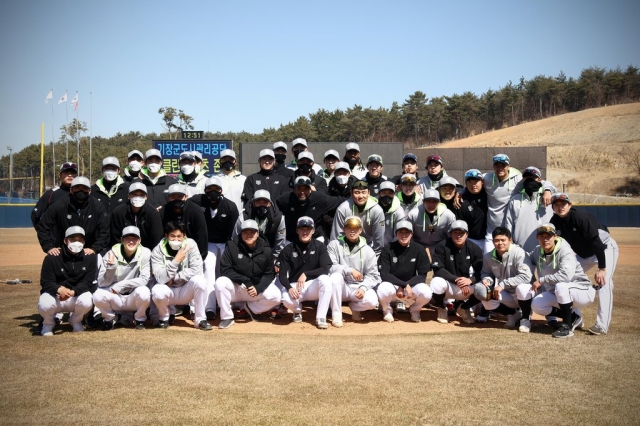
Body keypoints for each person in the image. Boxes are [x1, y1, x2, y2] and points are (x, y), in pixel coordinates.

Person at [550, 193, 618, 335]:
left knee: (604, 282)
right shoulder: (555, 221)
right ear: (553, 207)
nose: (560, 207)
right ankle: (576, 317)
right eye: (556, 205)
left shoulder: (580, 217)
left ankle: (601, 325)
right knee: (567, 278)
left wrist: (602, 268)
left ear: (570, 205)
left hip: (604, 248)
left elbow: (597, 243)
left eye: (563, 204)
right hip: (583, 253)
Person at [530, 223, 596, 338]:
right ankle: (574, 317)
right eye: (541, 236)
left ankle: (567, 326)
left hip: (582, 290)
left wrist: (541, 280)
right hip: (559, 293)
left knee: (561, 286)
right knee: (537, 304)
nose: (545, 240)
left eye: (548, 236)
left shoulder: (565, 251)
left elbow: (565, 276)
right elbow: (526, 260)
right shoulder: (537, 251)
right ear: (537, 238)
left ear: (555, 236)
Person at [215, 219, 281, 329]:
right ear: (241, 233)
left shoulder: (266, 250)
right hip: (237, 287)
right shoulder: (231, 246)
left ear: (258, 233)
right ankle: (227, 317)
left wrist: (258, 288)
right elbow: (225, 270)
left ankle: (251, 308)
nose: (248, 235)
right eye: (245, 232)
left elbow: (269, 274)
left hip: (254, 290)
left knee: (276, 296)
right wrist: (245, 281)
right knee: (220, 282)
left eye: (252, 232)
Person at [191, 177, 240, 319]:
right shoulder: (197, 201)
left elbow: (234, 232)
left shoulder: (230, 206)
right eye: (209, 189)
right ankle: (209, 307)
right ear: (205, 190)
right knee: (209, 267)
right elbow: (186, 206)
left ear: (221, 191)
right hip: (208, 242)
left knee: (224, 270)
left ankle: (225, 303)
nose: (213, 192)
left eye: (216, 189)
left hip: (226, 242)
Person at [150, 221, 211, 330]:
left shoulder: (191, 244)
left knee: (200, 281)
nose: (176, 240)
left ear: (184, 236)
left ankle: (200, 319)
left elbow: (196, 269)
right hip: (168, 290)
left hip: (185, 289)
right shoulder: (157, 250)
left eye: (179, 236)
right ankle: (164, 318)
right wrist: (176, 261)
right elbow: (160, 278)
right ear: (166, 236)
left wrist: (174, 278)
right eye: (172, 236)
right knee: (157, 290)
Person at [276, 217, 334, 329]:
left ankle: (321, 317)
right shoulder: (288, 249)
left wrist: (306, 274)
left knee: (326, 280)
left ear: (313, 231)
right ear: (297, 230)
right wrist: (289, 288)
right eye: (302, 229)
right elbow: (282, 274)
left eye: (308, 229)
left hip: (314, 285)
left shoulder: (319, 246)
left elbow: (325, 268)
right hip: (296, 287)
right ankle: (297, 311)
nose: (305, 232)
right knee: (285, 298)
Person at [38, 226, 96, 335]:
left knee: (88, 300)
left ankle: (75, 321)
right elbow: (46, 282)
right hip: (56, 296)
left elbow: (88, 282)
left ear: (84, 241)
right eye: (73, 240)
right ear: (65, 240)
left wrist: (73, 292)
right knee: (44, 303)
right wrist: (59, 289)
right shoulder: (52, 257)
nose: (76, 243)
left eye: (80, 240)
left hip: (75, 296)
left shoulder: (90, 258)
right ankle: (48, 324)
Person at [94, 226, 151, 330]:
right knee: (98, 295)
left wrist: (120, 285)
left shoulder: (145, 253)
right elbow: (102, 283)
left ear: (139, 240)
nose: (131, 241)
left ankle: (140, 320)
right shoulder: (110, 254)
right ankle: (109, 319)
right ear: (121, 240)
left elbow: (145, 279)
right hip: (115, 297)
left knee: (144, 291)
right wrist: (111, 268)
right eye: (127, 238)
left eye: (134, 238)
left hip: (132, 297)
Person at [475, 226, 534, 328]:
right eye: (497, 240)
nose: (500, 243)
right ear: (493, 242)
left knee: (522, 288)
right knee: (483, 292)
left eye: (503, 240)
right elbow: (486, 273)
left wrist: (502, 284)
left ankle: (526, 317)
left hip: (526, 294)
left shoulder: (519, 252)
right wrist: (486, 280)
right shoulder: (488, 257)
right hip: (507, 292)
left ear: (510, 240)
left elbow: (526, 277)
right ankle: (512, 313)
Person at [36, 176, 110, 257]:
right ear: (71, 190)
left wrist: (95, 248)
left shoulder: (97, 206)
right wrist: (49, 247)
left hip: (88, 252)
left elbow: (105, 230)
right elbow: (43, 227)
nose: (80, 191)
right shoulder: (60, 205)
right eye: (77, 188)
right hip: (63, 252)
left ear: (89, 191)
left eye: (84, 188)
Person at [327, 216, 381, 325]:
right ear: (344, 229)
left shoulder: (368, 250)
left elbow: (373, 275)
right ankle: (337, 314)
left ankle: (354, 307)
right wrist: (349, 270)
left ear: (360, 230)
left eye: (356, 228)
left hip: (357, 287)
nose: (352, 231)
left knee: (372, 301)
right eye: (349, 227)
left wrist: (363, 288)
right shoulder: (334, 245)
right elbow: (330, 267)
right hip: (341, 287)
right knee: (335, 277)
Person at [376, 220, 432, 323]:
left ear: (412, 234)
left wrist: (406, 285)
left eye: (407, 232)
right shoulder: (388, 249)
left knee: (427, 292)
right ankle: (387, 310)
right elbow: (384, 274)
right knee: (382, 289)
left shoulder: (419, 249)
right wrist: (402, 285)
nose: (404, 235)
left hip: (411, 286)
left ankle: (414, 310)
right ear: (396, 234)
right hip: (393, 286)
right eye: (401, 232)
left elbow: (422, 276)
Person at [429, 220, 484, 324]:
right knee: (436, 282)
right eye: (455, 232)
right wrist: (456, 280)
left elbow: (481, 270)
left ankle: (464, 307)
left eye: (461, 233)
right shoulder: (442, 246)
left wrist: (470, 280)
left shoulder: (474, 248)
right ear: (450, 234)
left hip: (466, 288)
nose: (458, 236)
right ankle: (441, 308)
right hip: (449, 285)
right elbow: (437, 269)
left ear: (467, 234)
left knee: (485, 288)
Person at [276, 176, 343, 244]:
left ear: (310, 190)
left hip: (316, 236)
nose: (302, 192)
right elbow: (273, 207)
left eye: (305, 189)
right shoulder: (285, 199)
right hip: (292, 238)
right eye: (299, 188)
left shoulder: (320, 198)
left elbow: (340, 201)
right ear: (294, 189)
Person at [503, 166, 554, 253]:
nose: (529, 180)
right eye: (527, 178)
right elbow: (509, 225)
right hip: (522, 252)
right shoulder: (515, 200)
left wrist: (548, 190)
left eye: (533, 177)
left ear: (539, 179)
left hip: (546, 251)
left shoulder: (550, 198)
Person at [331, 180, 385, 256]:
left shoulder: (377, 210)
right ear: (351, 193)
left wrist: (374, 257)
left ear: (369, 193)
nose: (360, 196)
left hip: (368, 246)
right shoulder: (343, 208)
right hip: (346, 248)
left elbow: (378, 238)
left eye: (363, 192)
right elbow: (336, 235)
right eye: (357, 192)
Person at [159, 184, 208, 261]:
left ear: (186, 197)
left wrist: (200, 259)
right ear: (168, 198)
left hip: (191, 250)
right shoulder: (164, 211)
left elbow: (201, 237)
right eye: (173, 197)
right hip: (169, 249)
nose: (176, 199)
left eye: (179, 196)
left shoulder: (196, 211)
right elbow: (160, 236)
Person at [233, 189, 286, 261]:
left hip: (269, 253)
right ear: (253, 203)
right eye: (258, 202)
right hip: (247, 253)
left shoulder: (279, 218)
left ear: (270, 203)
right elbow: (235, 238)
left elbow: (280, 242)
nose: (262, 205)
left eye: (265, 202)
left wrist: (276, 260)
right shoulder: (243, 217)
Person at [109, 182, 164, 249]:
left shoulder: (153, 213)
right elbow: (115, 238)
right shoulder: (118, 212)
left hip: (147, 252)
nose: (138, 198)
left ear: (146, 197)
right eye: (134, 195)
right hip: (124, 250)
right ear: (128, 196)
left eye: (141, 195)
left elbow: (156, 238)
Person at [438, 176, 485, 249]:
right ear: (439, 189)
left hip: (457, 239)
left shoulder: (460, 202)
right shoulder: (434, 203)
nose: (447, 191)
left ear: (455, 190)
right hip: (437, 239)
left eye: (451, 188)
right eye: (444, 188)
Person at [31, 162, 78, 227]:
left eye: (73, 173)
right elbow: (35, 215)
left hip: (79, 235)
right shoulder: (51, 194)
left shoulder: (84, 193)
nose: (70, 175)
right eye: (66, 173)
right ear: (60, 175)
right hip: (57, 236)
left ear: (77, 176)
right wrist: (43, 234)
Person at [460, 169, 488, 251]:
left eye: (476, 181)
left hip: (489, 239)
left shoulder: (489, 194)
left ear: (482, 182)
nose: (473, 185)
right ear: (466, 184)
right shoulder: (461, 200)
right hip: (470, 240)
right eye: (470, 182)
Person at [213, 148, 246, 214]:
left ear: (235, 162)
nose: (227, 162)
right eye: (224, 159)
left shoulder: (243, 179)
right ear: (220, 161)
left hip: (239, 218)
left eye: (230, 159)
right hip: (219, 218)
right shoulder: (214, 179)